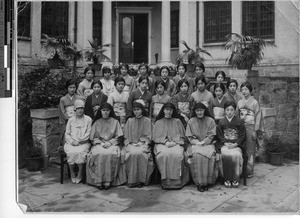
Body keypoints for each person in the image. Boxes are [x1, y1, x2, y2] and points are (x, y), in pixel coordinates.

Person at [86, 103, 125, 190]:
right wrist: (101, 143)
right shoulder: (96, 122)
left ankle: (108, 180)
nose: (105, 113)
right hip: (99, 144)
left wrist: (110, 142)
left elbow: (119, 137)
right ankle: (99, 181)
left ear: (110, 111)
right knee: (99, 154)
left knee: (110, 154)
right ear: (100, 111)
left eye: (107, 111)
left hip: (112, 143)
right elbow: (92, 138)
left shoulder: (115, 122)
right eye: (103, 110)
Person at [152, 102, 190, 189]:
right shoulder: (158, 122)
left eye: (170, 110)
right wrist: (165, 142)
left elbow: (183, 136)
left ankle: (177, 183)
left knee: (177, 154)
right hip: (161, 144)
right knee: (163, 155)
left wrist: (175, 142)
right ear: (163, 110)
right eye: (166, 110)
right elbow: (155, 137)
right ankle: (166, 182)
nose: (168, 112)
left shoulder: (177, 121)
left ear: (173, 111)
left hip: (176, 143)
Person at [185, 102, 221, 192]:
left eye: (201, 110)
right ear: (195, 111)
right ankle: (199, 183)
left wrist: (204, 142)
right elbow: (189, 136)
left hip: (208, 143)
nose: (199, 112)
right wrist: (197, 142)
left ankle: (208, 182)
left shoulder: (211, 120)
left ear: (204, 110)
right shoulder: (191, 121)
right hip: (195, 144)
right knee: (197, 156)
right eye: (197, 111)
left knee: (210, 156)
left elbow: (212, 135)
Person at [123, 102, 154, 188]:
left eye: (138, 109)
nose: (136, 112)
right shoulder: (129, 121)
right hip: (131, 144)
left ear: (142, 110)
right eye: (134, 110)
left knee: (140, 153)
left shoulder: (147, 121)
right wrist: (131, 142)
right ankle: (132, 180)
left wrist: (142, 142)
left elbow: (149, 135)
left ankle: (142, 180)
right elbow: (125, 136)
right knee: (132, 153)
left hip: (143, 144)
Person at [216, 101, 246, 188]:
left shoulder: (239, 121)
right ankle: (227, 178)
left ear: (235, 111)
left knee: (236, 155)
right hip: (225, 144)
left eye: (232, 110)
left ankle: (235, 178)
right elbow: (219, 135)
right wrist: (225, 143)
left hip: (236, 145)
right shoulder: (221, 122)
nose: (229, 112)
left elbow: (242, 135)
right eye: (227, 110)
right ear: (224, 111)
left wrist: (235, 144)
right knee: (226, 155)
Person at [64, 99, 92, 184]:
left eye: (82, 108)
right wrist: (72, 142)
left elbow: (88, 132)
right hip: (71, 143)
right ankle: (72, 173)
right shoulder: (71, 120)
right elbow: (67, 133)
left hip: (84, 142)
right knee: (71, 152)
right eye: (78, 108)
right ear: (75, 110)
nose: (80, 110)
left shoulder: (88, 119)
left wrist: (80, 141)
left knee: (80, 152)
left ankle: (80, 173)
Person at [237, 81, 261, 178]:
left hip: (251, 127)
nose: (244, 91)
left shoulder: (255, 102)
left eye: (246, 89)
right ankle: (241, 169)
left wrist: (256, 130)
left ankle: (249, 170)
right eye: (242, 89)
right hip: (242, 127)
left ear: (250, 90)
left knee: (250, 149)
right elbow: (237, 116)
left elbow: (258, 117)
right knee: (241, 148)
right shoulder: (239, 102)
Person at [58, 79, 84, 146]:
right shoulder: (63, 99)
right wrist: (69, 119)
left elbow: (81, 110)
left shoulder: (79, 98)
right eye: (70, 87)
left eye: (74, 87)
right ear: (67, 88)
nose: (72, 89)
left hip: (77, 119)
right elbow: (62, 111)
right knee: (67, 138)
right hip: (67, 120)